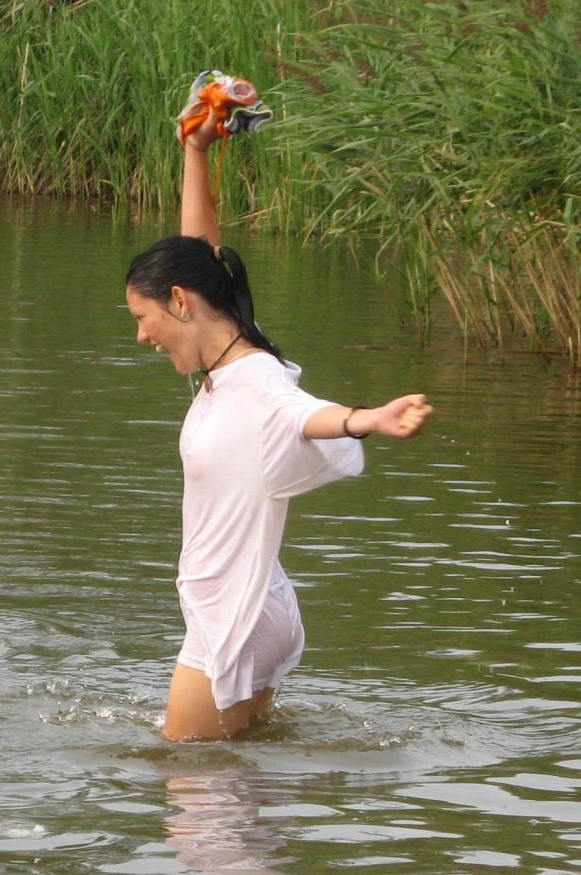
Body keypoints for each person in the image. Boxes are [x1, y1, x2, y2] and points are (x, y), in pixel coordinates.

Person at [125, 101, 432, 741]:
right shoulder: (229, 355)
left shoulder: (258, 383)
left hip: (229, 619)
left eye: (143, 317)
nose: (142, 335)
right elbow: (199, 251)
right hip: (261, 604)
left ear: (178, 304)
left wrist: (370, 418)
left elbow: (302, 416)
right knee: (239, 793)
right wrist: (196, 151)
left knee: (186, 788)